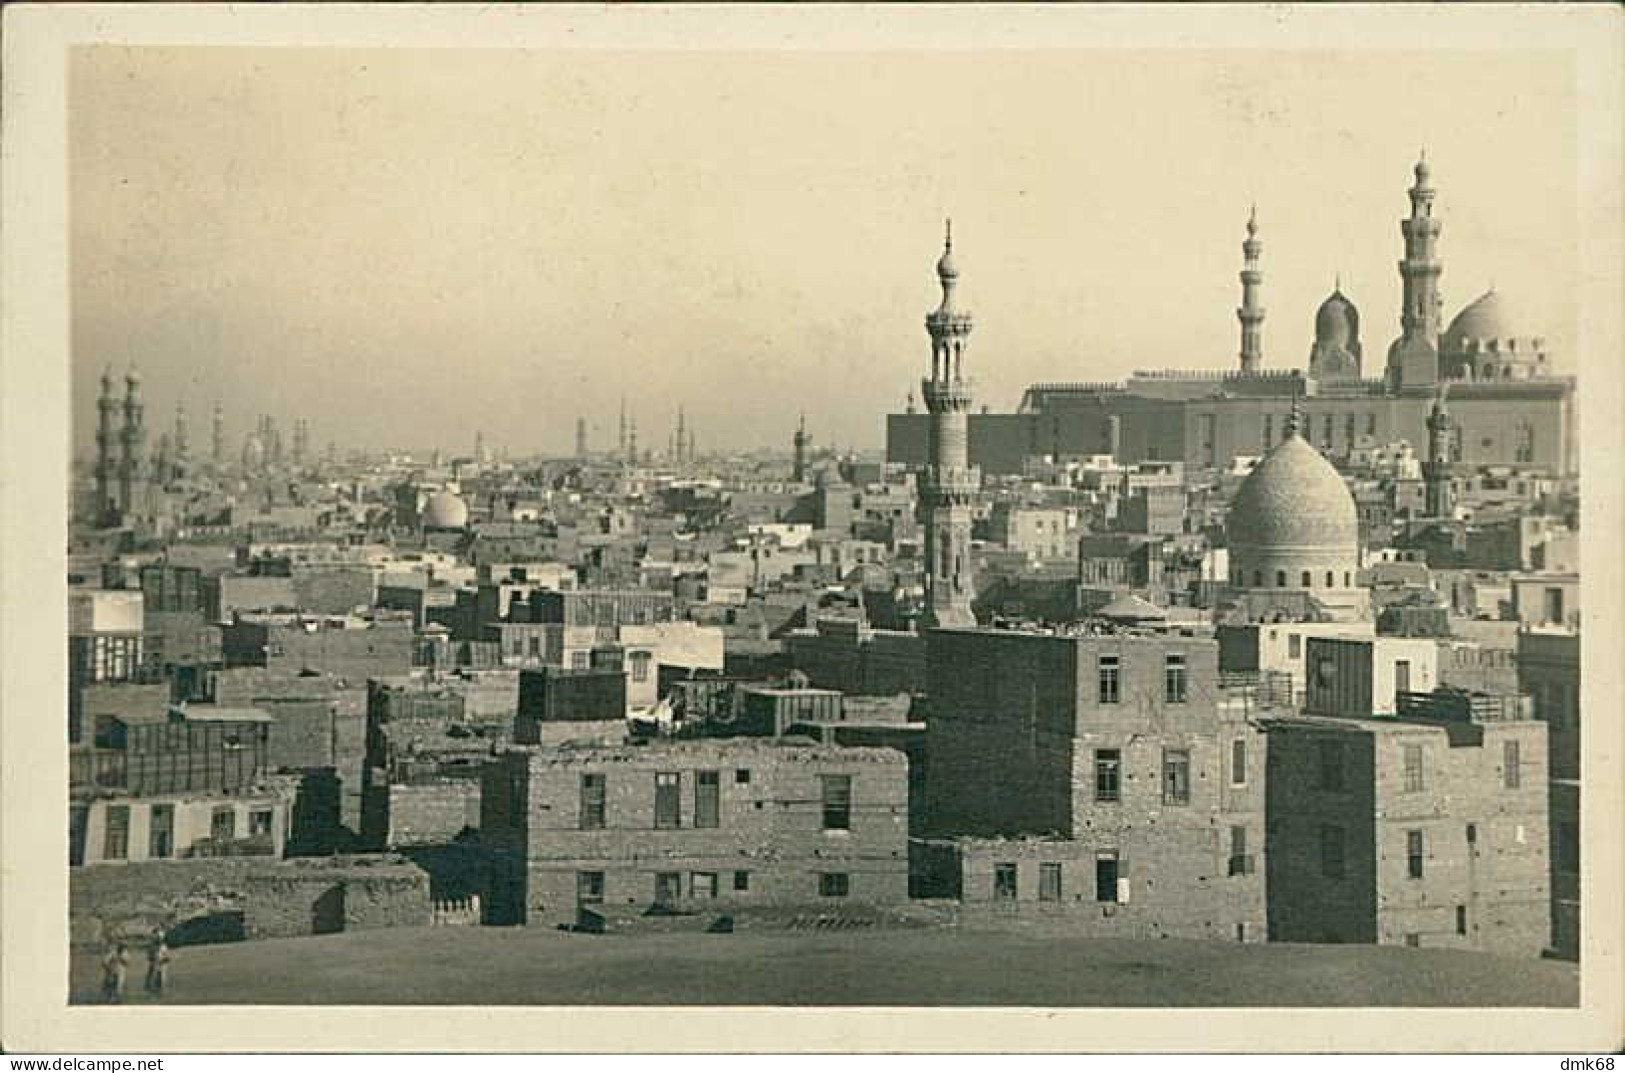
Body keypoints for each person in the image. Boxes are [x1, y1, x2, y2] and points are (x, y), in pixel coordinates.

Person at [145, 930, 170, 997]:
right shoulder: (153, 945)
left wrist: (162, 960)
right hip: (156, 963)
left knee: (161, 977)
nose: (159, 939)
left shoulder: (163, 947)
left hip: (161, 964)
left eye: (160, 938)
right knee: (155, 976)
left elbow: (167, 958)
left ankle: (160, 990)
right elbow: (150, 955)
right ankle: (154, 989)